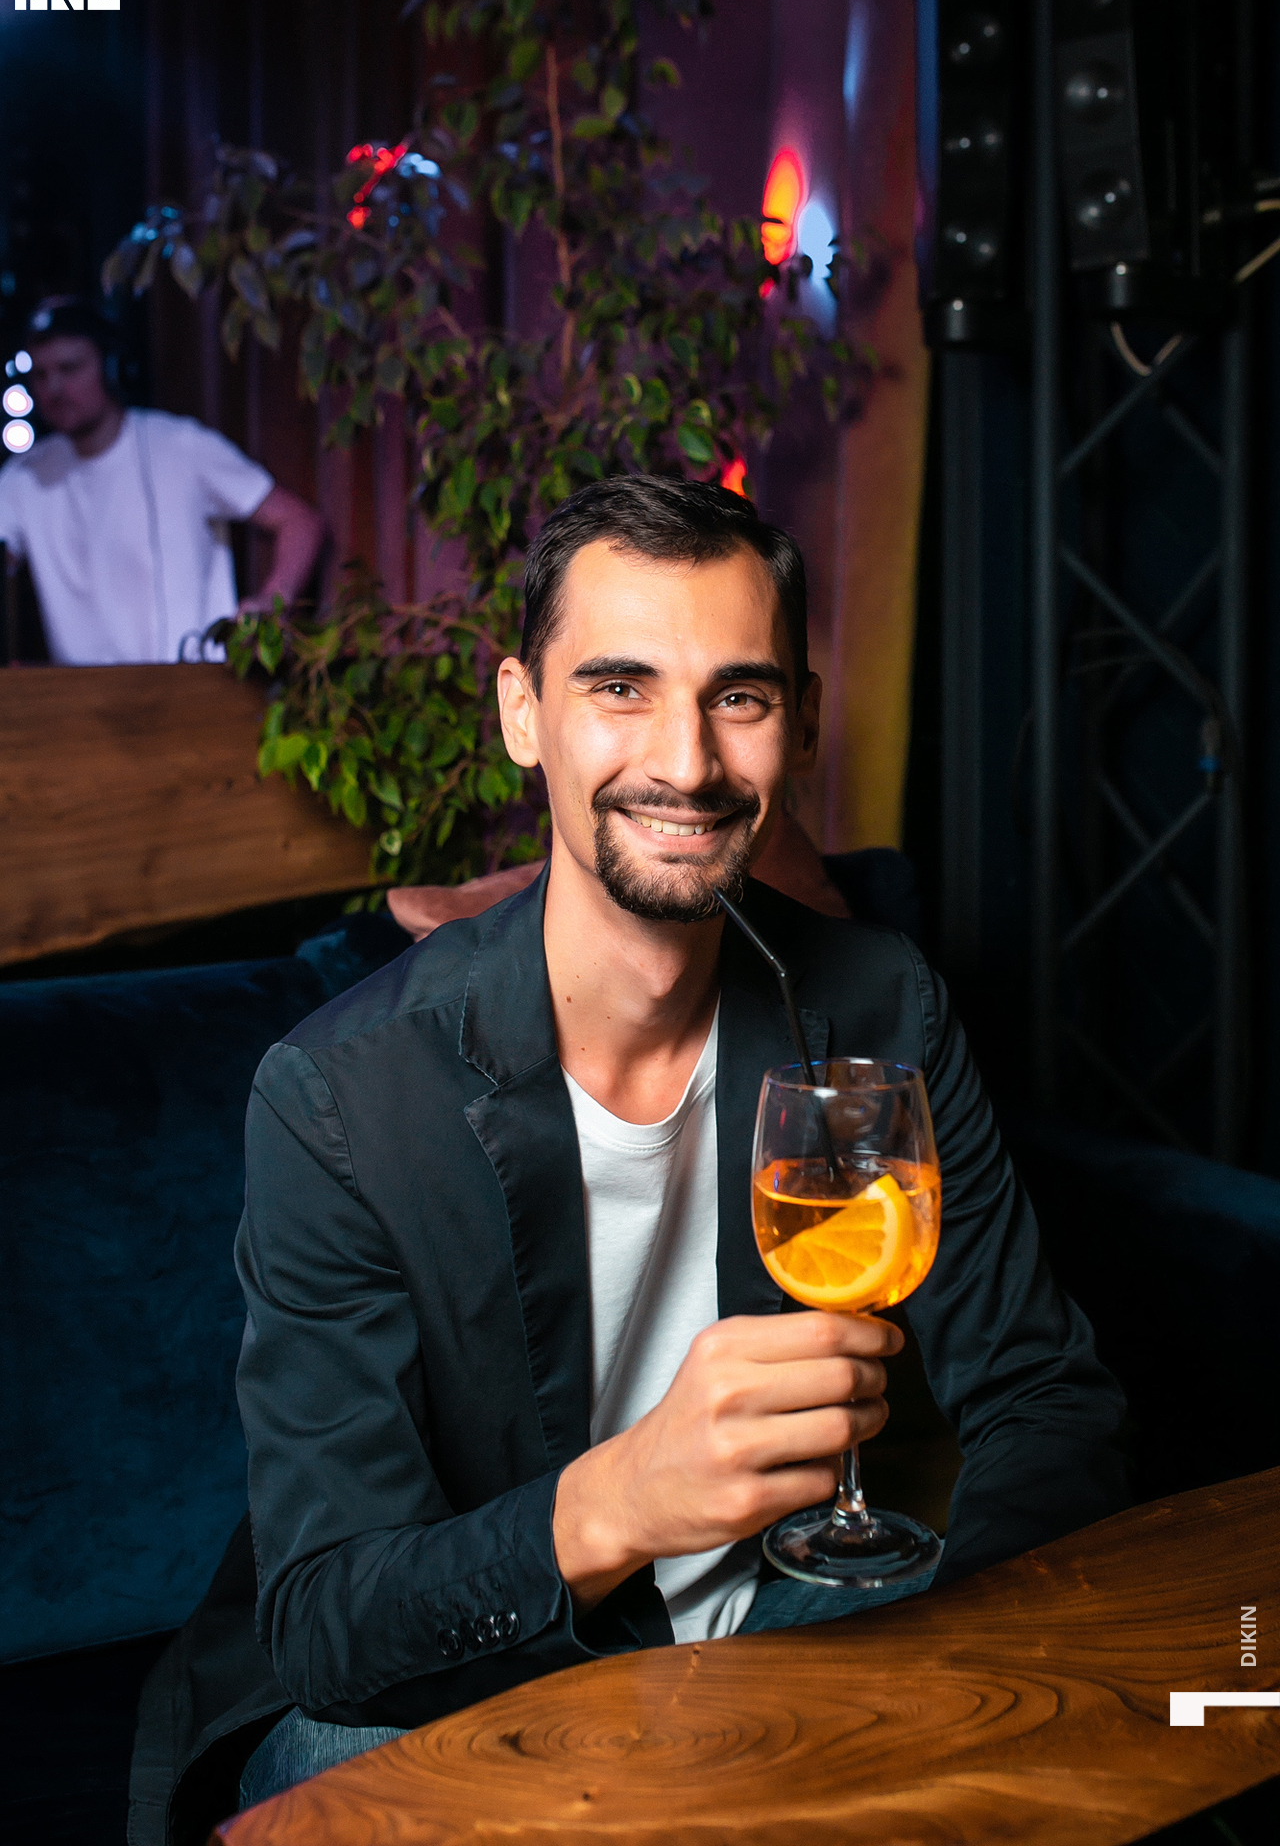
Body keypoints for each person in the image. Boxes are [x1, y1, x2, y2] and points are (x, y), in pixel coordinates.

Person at [130, 476, 1128, 1845]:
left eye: (739, 696)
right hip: (451, 1683)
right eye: (620, 687)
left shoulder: (878, 1006)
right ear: (521, 714)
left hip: (779, 1632)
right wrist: (620, 1501)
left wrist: (944, 1666)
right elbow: (329, 1626)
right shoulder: (339, 1097)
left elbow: (1047, 1405)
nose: (688, 762)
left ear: (803, 725)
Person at [0, 299, 325, 665]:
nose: (54, 389)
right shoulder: (23, 476)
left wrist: (271, 601)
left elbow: (299, 521)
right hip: (85, 693)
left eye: (69, 368)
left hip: (193, 680)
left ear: (112, 367)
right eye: (40, 376)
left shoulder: (181, 446)